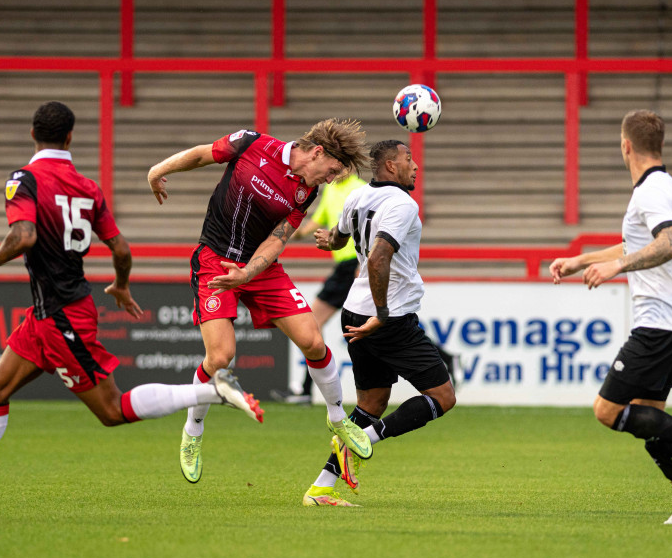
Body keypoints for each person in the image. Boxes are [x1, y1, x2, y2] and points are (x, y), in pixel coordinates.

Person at [0, 101, 262, 515]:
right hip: (49, 313)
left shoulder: (24, 179)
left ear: (31, 134)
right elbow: (120, 247)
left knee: (112, 411)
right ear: (70, 137)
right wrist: (122, 284)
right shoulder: (87, 186)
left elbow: (23, 236)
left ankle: (212, 391)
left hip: (61, 314)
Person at [147, 118, 374, 484]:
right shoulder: (252, 144)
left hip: (259, 268)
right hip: (214, 260)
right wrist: (158, 170)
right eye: (332, 170)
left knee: (313, 340)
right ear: (317, 152)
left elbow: (277, 239)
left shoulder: (306, 192)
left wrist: (249, 273)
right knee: (220, 357)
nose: (332, 180)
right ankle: (193, 432)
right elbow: (202, 154)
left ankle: (337, 418)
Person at [548, 109, 672, 525]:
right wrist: (582, 260)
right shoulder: (664, 188)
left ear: (625, 145)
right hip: (670, 320)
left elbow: (671, 242)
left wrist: (617, 267)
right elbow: (635, 243)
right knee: (650, 420)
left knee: (607, 410)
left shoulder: (651, 192)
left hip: (659, 322)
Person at [302, 139, 456, 507]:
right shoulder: (402, 204)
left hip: (354, 310)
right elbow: (377, 259)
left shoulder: (357, 197)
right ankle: (361, 442)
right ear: (390, 166)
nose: (414, 165)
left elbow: (338, 238)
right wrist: (383, 316)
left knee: (372, 403)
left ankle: (321, 488)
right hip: (386, 316)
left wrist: (327, 241)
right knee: (442, 397)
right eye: (408, 159)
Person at [270, 171, 367, 404]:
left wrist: (364, 265)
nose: (335, 170)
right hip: (344, 267)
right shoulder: (331, 189)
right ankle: (305, 390)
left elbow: (368, 229)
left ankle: (305, 390)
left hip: (358, 263)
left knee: (381, 323)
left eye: (341, 164)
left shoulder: (361, 190)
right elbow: (313, 224)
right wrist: (287, 228)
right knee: (314, 322)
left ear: (351, 165)